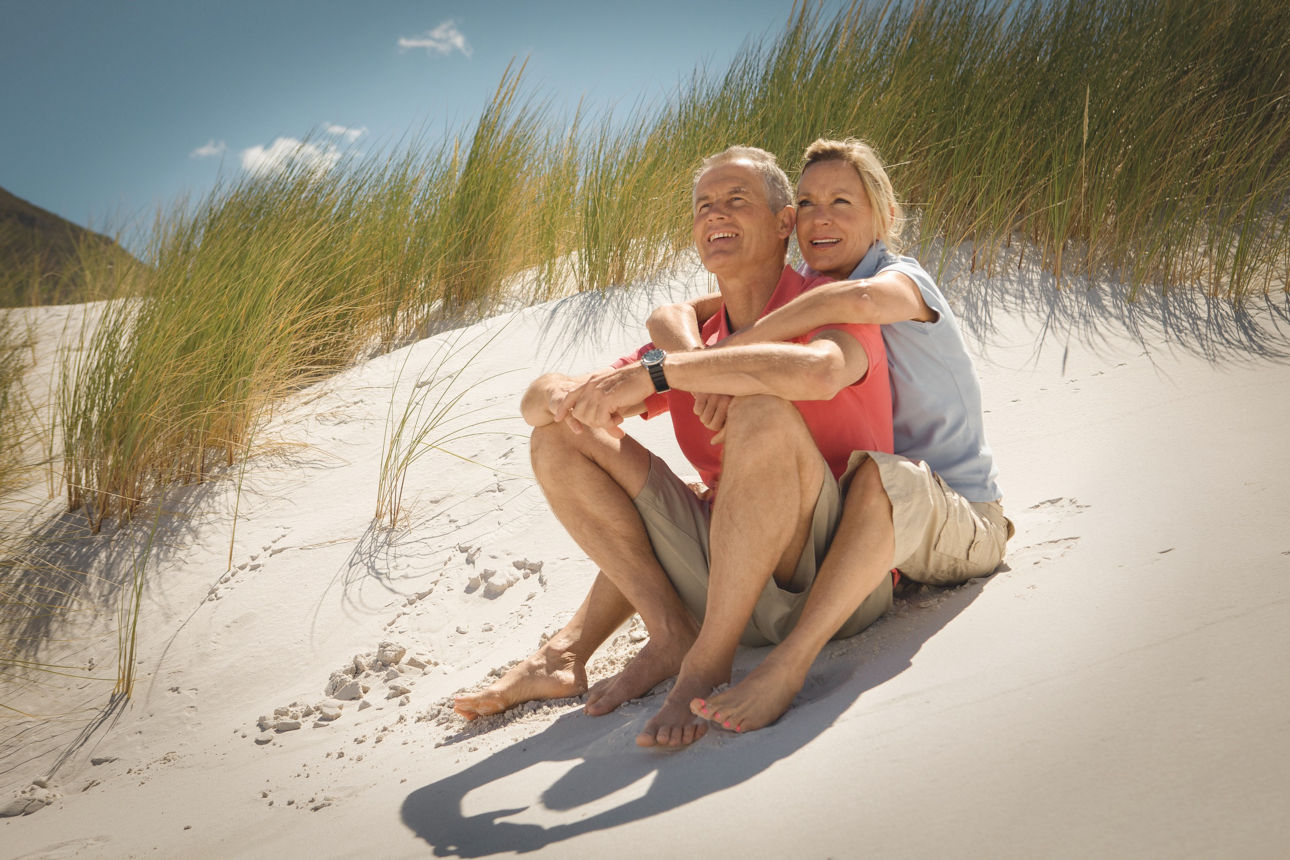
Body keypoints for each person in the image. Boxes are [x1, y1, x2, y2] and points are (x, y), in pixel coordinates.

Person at [453, 145, 894, 747]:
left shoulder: (827, 301)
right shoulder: (695, 341)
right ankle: (668, 633)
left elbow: (819, 371)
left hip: (830, 575)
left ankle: (704, 664)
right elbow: (541, 402)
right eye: (703, 205)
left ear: (784, 221)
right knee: (558, 439)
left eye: (737, 200)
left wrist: (680, 371)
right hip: (730, 579)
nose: (717, 214)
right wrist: (563, 394)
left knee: (761, 415)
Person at [647, 138, 1014, 733]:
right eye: (810, 203)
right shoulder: (815, 295)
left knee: (876, 475)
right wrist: (679, 333)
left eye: (844, 201)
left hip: (963, 515)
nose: (822, 218)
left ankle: (789, 667)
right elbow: (689, 306)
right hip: (884, 533)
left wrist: (736, 348)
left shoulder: (901, 279)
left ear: (884, 217)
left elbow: (860, 299)